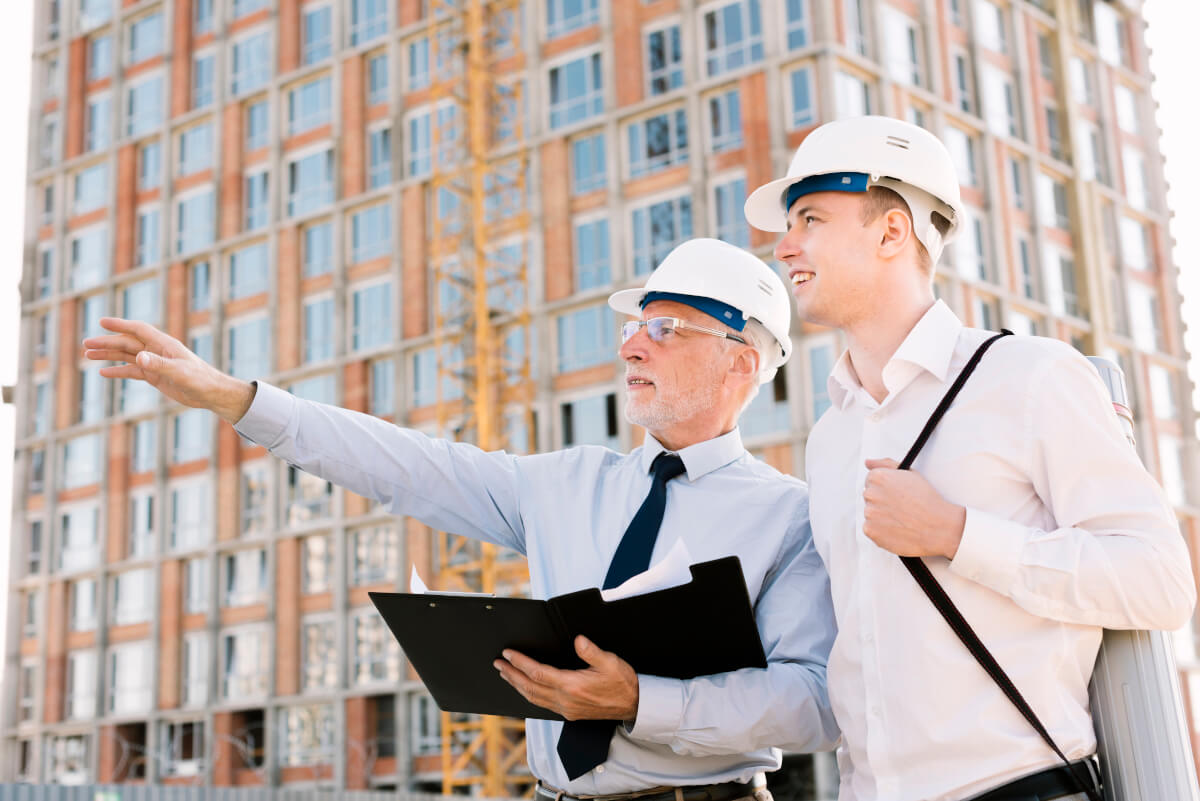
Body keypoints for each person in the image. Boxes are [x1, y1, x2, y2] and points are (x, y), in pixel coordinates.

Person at [83, 237, 839, 799]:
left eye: (667, 329)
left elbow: (813, 704)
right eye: (634, 326)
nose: (633, 344)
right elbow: (402, 463)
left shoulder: (790, 517)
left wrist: (642, 700)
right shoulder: (563, 482)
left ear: (741, 362)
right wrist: (235, 397)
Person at [743, 115, 1196, 801]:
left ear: (892, 231)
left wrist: (957, 533)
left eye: (809, 218)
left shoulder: (1030, 376)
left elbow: (1160, 580)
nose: (784, 247)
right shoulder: (830, 437)